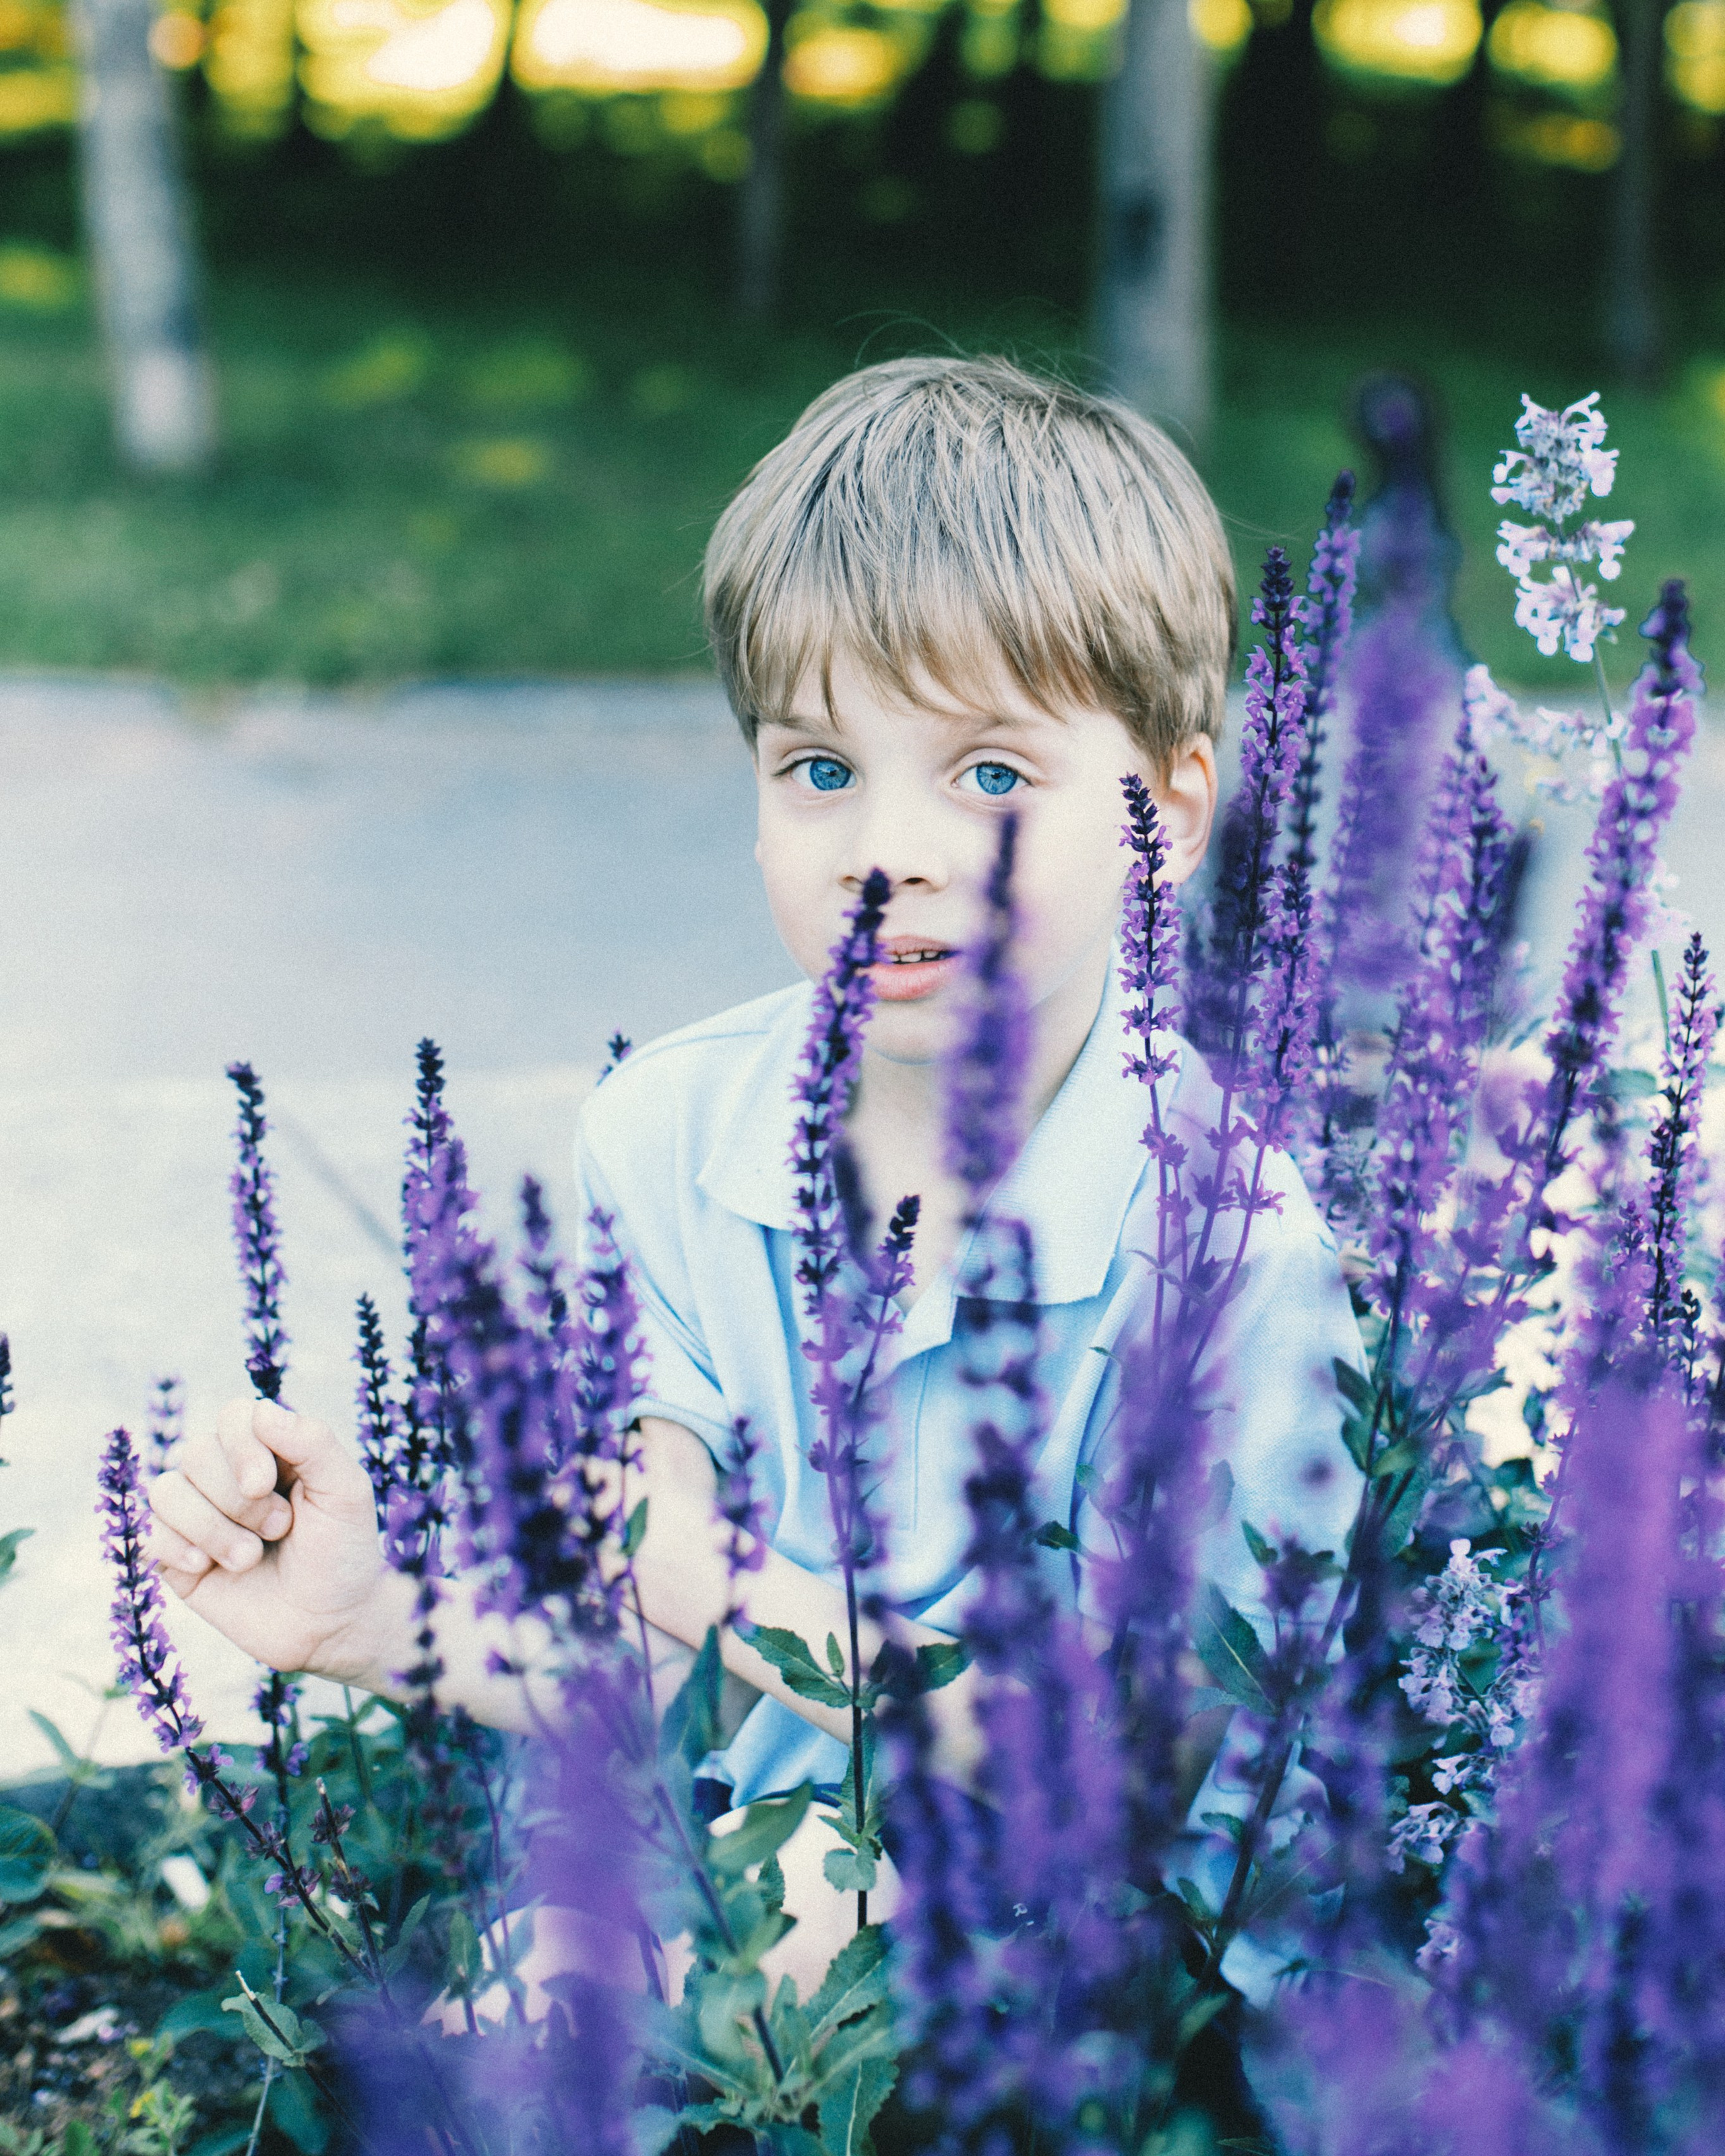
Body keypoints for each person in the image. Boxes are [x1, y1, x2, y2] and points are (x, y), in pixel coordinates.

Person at [147, 355, 1362, 2009]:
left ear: (1169, 808)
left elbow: (1132, 1770)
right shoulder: (671, 1135)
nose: (886, 852)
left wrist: (738, 1587)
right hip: (769, 1875)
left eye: (990, 775)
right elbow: (646, 1648)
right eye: (819, 769)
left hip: (1116, 1972)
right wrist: (366, 1620)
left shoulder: (1231, 1253)